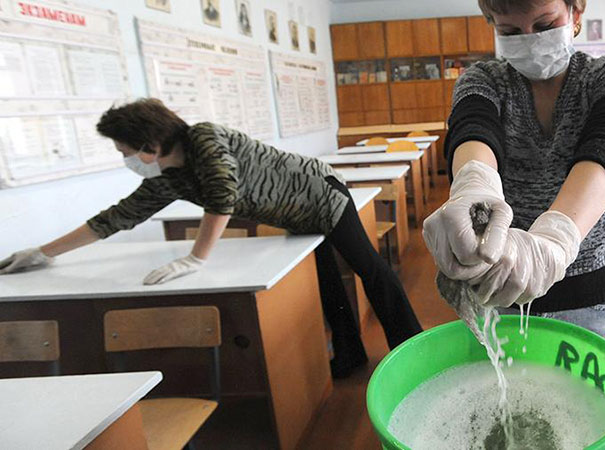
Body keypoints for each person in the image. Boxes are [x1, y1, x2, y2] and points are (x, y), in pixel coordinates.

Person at [0, 98, 422, 377]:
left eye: (126, 151)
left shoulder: (204, 137)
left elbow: (223, 195)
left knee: (370, 269)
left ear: (150, 143)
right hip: (293, 212)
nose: (126, 159)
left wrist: (196, 258)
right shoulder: (169, 177)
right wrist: (43, 252)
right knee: (325, 279)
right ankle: (350, 354)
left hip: (321, 194)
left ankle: (412, 351)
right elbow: (117, 217)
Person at [423, 0, 605, 350]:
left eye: (544, 25)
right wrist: (474, 183)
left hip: (589, 300)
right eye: (510, 31)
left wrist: (556, 237)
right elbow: (474, 129)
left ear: (575, 12)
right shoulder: (484, 80)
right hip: (500, 292)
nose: (529, 39)